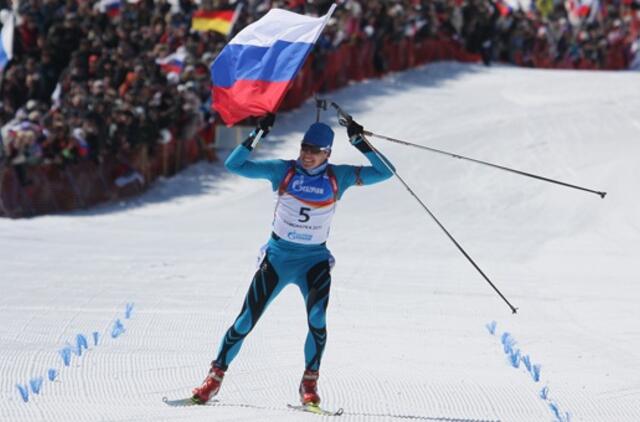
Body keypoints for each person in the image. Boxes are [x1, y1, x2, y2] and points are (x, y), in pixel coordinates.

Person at [192, 113, 394, 406]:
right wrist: (257, 134)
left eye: (314, 151)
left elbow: (386, 171)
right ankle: (214, 378)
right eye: (304, 148)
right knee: (246, 320)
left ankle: (309, 384)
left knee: (317, 320)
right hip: (278, 258)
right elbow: (233, 164)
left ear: (327, 153)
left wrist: (359, 142)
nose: (307, 155)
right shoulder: (283, 171)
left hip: (313, 261)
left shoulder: (339, 176)